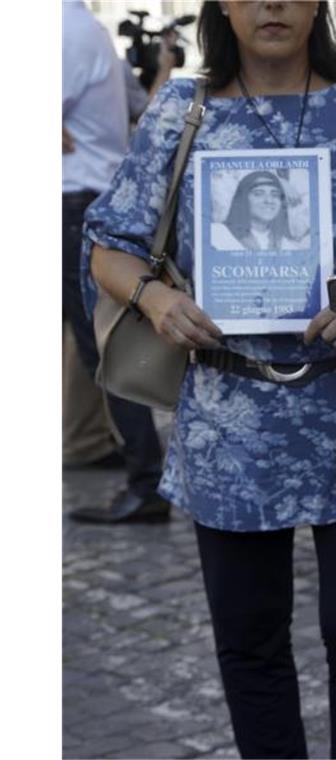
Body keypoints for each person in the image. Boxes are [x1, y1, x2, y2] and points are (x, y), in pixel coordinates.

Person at [81, 2, 336, 757]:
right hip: (230, 417)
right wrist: (155, 299)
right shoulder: (182, 108)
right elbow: (107, 244)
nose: (272, 4)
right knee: (249, 640)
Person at [63, 0, 168, 523]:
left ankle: (146, 478)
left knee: (100, 346)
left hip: (75, 201)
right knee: (94, 343)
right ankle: (135, 466)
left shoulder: (59, 31)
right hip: (88, 198)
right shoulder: (91, 31)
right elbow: (135, 105)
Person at [212, 170, 308, 251]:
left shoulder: (287, 246)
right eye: (258, 194)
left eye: (275, 195)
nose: (269, 200)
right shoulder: (217, 234)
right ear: (242, 199)